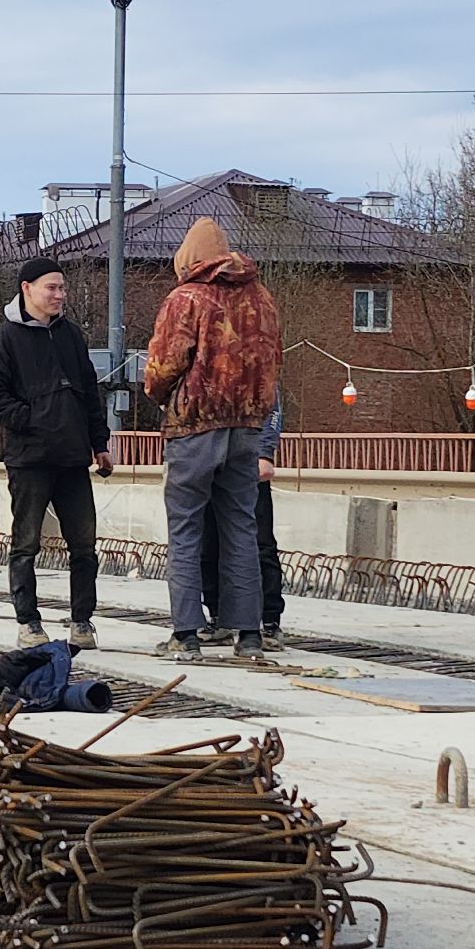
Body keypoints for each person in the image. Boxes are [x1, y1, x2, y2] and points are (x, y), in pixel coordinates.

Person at [142, 218, 282, 659]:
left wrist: (159, 394)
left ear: (188, 259)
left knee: (186, 528)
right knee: (241, 527)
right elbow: (273, 362)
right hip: (246, 428)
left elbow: (164, 365)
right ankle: (250, 635)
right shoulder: (263, 299)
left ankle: (185, 634)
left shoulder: (186, 298)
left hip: (195, 426)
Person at [0, 256, 113, 650]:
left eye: (62, 288)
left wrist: (99, 443)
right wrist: (35, 419)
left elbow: (90, 392)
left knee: (84, 545)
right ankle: (28, 621)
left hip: (73, 459)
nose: (60, 295)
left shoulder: (70, 335)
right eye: (51, 288)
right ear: (27, 289)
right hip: (30, 459)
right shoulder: (5, 339)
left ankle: (82, 620)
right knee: (26, 544)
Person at [199, 390, 286, 651]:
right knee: (208, 543)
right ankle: (218, 616)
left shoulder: (253, 356)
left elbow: (271, 405)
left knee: (259, 544)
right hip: (208, 460)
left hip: (246, 460)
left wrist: (265, 453)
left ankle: (269, 620)